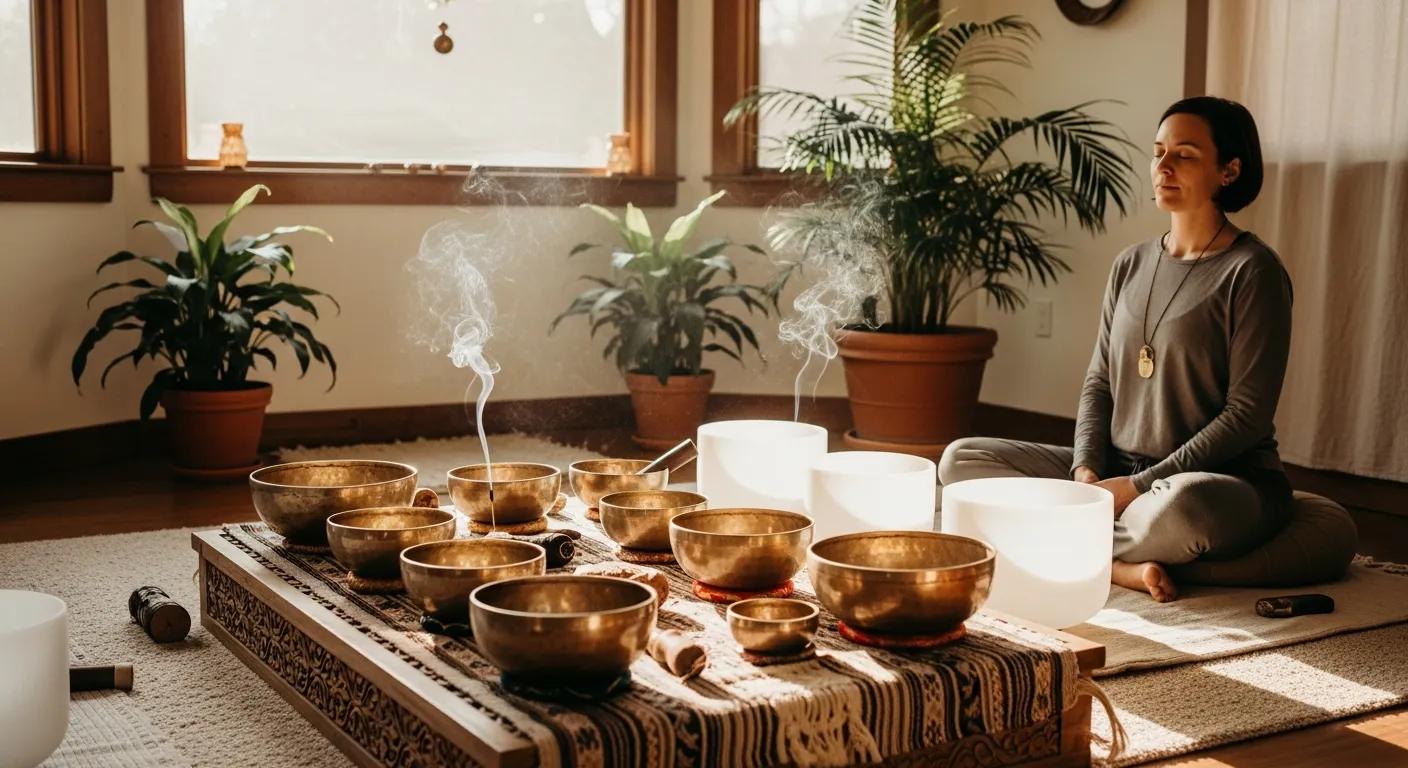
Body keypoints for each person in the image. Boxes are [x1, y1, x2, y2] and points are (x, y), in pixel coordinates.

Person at [939, 96, 1300, 603]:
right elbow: (1099, 383)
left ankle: (1061, 551)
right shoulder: (1130, 265)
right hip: (1117, 470)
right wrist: (1085, 471)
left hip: (1214, 481)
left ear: (1230, 170)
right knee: (963, 460)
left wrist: (1135, 489)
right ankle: (1118, 566)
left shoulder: (1253, 271)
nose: (1164, 167)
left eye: (1186, 154)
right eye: (1158, 152)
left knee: (1183, 510)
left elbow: (1247, 417)